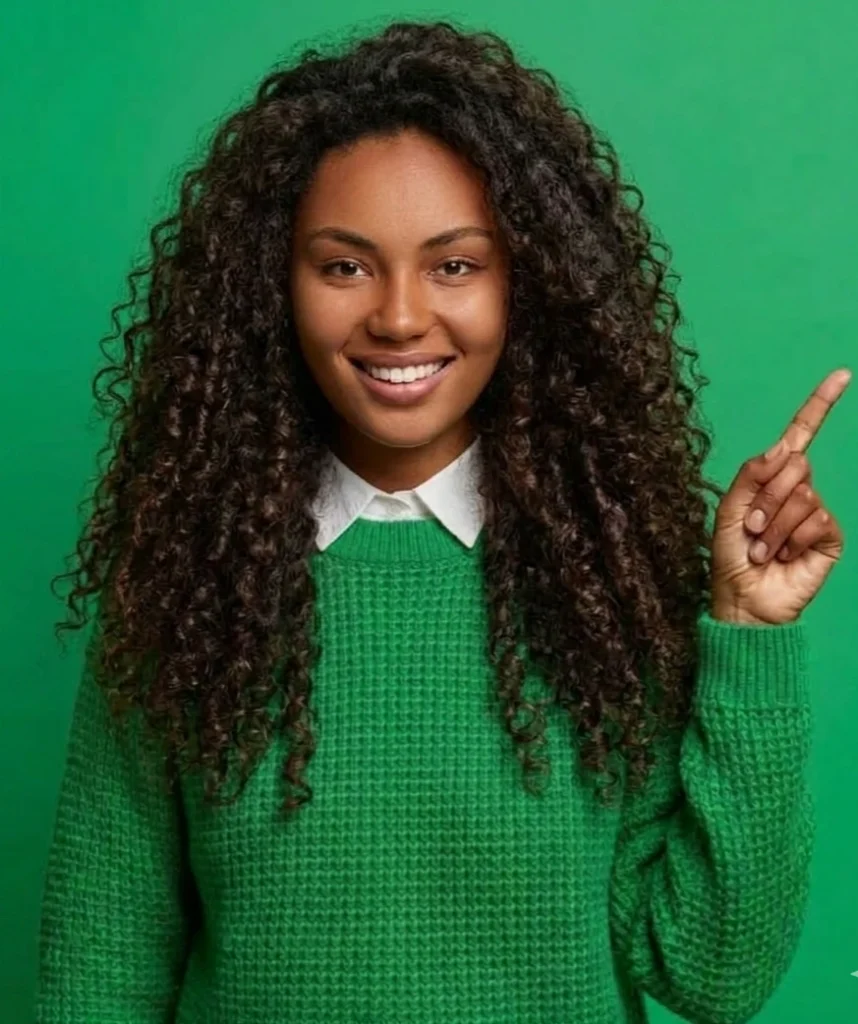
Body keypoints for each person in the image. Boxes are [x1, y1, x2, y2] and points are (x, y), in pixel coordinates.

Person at [34, 17, 821, 1024]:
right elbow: (97, 977)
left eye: (455, 264)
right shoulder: (186, 597)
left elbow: (714, 976)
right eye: (344, 265)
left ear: (526, 285)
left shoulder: (613, 591)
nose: (400, 317)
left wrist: (751, 640)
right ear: (274, 290)